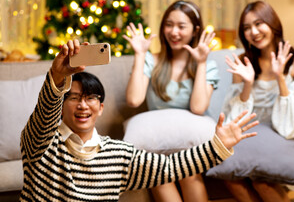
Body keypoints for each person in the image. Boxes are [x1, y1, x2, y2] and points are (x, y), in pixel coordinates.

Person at [19, 39, 259, 202]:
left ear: (100, 108)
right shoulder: (41, 144)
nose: (82, 105)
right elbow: (44, 115)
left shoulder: (118, 155)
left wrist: (217, 145)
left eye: (90, 98)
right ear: (61, 106)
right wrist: (58, 77)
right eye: (73, 98)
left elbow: (170, 167)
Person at [123, 0, 219, 202]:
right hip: (157, 145)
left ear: (195, 31)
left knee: (189, 171)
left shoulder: (207, 66)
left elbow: (198, 107)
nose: (174, 32)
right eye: (169, 25)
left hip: (192, 145)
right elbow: (133, 100)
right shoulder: (152, 60)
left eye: (181, 26)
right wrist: (140, 55)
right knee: (157, 173)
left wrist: (200, 64)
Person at [217, 1, 294, 202]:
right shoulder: (243, 62)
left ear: (273, 24)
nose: (254, 32)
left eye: (259, 24)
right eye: (247, 28)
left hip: (283, 130)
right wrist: (248, 84)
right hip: (250, 131)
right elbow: (234, 120)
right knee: (226, 170)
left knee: (262, 180)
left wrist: (280, 78)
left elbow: (293, 124)